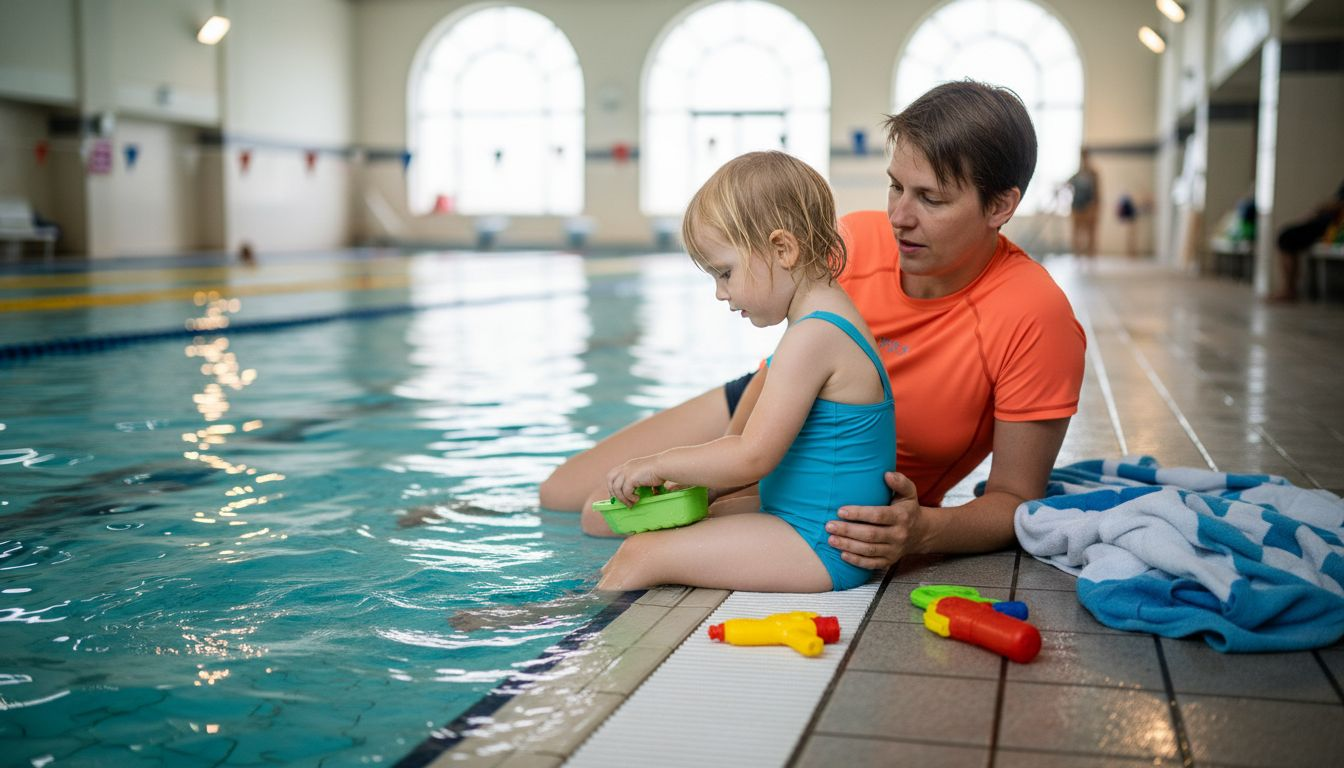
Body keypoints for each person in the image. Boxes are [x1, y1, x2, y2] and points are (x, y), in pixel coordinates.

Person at [541, 80, 1085, 572]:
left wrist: (922, 532)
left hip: (828, 483)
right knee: (567, 497)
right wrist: (721, 472)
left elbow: (1016, 499)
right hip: (769, 409)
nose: (899, 217)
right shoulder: (857, 241)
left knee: (621, 526)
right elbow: (779, 374)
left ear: (1000, 206)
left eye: (930, 198)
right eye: (895, 187)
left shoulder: (1034, 316)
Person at [598, 150, 893, 592]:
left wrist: (657, 464)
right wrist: (702, 485)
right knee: (690, 522)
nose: (720, 293)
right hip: (807, 523)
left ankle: (560, 628)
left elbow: (752, 455)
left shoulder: (813, 337)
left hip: (823, 545)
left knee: (642, 553)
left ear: (782, 249)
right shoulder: (825, 321)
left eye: (725, 272)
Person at [1270, 180, 1344, 302]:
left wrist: (1331, 206)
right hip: (1328, 221)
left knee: (1287, 238)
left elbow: (1337, 204)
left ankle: (1289, 290)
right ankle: (1288, 288)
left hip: (1335, 224)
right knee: (1285, 237)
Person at [1067, 149, 1100, 259]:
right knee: (1077, 232)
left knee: (1090, 233)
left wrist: (1095, 208)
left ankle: (1090, 254)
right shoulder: (1077, 175)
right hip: (1077, 207)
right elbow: (1068, 183)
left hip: (1089, 208)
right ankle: (1077, 254)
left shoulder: (1093, 175)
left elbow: (1097, 193)